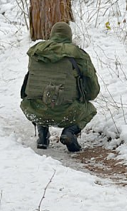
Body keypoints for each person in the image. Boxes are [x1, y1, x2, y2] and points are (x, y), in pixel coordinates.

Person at [20, 22, 100, 152]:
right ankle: (69, 132)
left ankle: (42, 134)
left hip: (33, 109)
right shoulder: (77, 54)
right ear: (69, 36)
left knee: (41, 97)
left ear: (52, 35)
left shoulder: (37, 52)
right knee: (90, 110)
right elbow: (92, 89)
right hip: (67, 112)